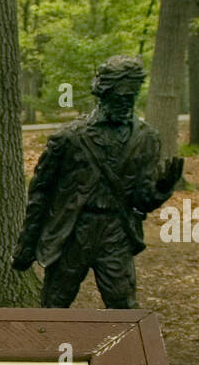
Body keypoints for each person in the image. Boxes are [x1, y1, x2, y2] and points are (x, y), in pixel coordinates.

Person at [12, 56, 182, 308]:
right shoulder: (68, 138)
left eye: (132, 96)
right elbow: (40, 195)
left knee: (124, 307)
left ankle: (123, 350)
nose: (127, 101)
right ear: (104, 91)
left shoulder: (147, 139)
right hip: (72, 232)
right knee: (54, 305)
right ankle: (51, 348)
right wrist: (26, 246)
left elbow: (142, 201)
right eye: (122, 95)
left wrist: (162, 188)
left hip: (116, 233)